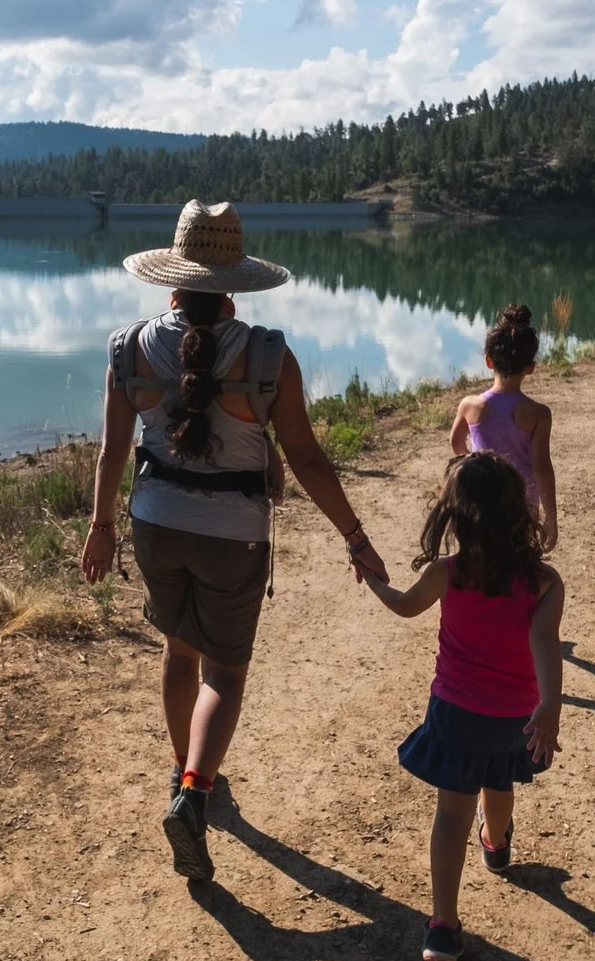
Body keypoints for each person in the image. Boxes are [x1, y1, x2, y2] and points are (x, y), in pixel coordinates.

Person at [81, 200, 389, 883]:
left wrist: (101, 527)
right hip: (233, 538)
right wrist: (356, 536)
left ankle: (181, 771)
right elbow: (307, 459)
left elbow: (110, 453)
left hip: (156, 524)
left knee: (177, 649)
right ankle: (196, 789)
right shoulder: (267, 354)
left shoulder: (128, 347)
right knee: (224, 670)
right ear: (232, 286)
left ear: (172, 279)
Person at [360, 451, 565, 961]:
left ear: (455, 516)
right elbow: (544, 642)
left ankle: (442, 927)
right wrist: (550, 707)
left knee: (451, 812)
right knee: (499, 784)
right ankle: (496, 844)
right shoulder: (543, 582)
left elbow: (405, 605)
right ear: (520, 513)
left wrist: (374, 579)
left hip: (454, 713)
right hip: (512, 719)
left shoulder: (446, 573)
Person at [449, 302, 558, 550]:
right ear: (530, 367)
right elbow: (542, 466)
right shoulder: (539, 414)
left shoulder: (469, 406)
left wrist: (474, 461)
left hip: (479, 498)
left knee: (479, 555)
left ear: (488, 361)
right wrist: (551, 518)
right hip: (522, 503)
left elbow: (456, 444)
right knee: (517, 561)